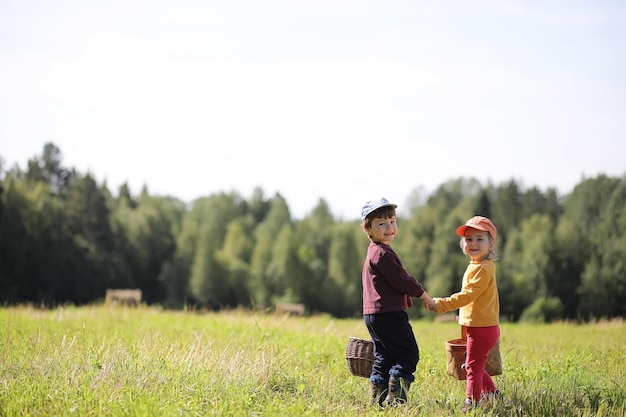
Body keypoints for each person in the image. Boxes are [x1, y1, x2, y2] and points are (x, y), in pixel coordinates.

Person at [360, 198, 433, 407]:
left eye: (392, 221)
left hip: (373, 314)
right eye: (381, 223)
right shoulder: (382, 253)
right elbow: (401, 279)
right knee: (408, 353)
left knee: (383, 356)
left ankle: (378, 400)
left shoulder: (374, 251)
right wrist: (423, 295)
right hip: (389, 313)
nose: (389, 227)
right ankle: (396, 401)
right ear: (368, 229)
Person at [426, 215, 501, 412]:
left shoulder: (483, 268)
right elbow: (476, 301)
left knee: (472, 367)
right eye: (469, 239)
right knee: (474, 364)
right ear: (463, 244)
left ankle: (472, 403)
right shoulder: (477, 265)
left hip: (482, 329)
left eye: (479, 239)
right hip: (477, 326)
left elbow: (468, 295)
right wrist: (465, 316)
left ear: (491, 245)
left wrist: (441, 304)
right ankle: (492, 394)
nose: (473, 243)